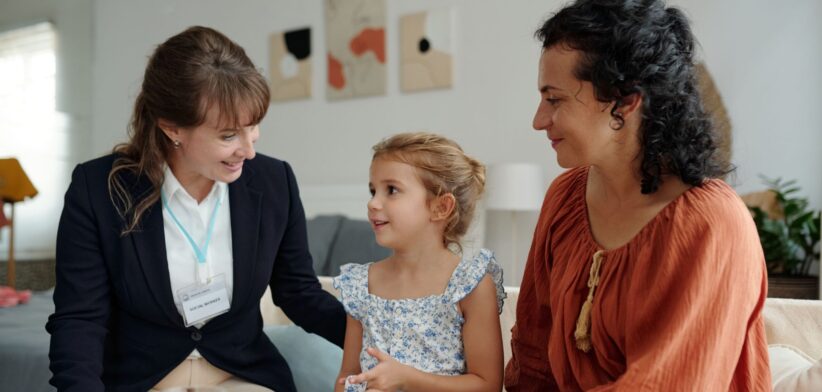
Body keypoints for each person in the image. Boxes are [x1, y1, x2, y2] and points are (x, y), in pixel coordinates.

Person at [46, 26, 345, 392]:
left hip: (241, 376)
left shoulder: (274, 181)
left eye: (253, 128)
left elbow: (300, 293)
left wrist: (384, 342)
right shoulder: (98, 190)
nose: (248, 151)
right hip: (143, 382)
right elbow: (80, 319)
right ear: (172, 128)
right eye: (228, 135)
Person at [504, 0, 771, 390]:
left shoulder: (712, 224)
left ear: (626, 101)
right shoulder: (564, 198)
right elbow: (533, 358)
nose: (538, 120)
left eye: (555, 99)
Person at [333, 132, 506, 392]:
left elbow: (487, 385)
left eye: (391, 190)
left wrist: (407, 378)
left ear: (440, 207)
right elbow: (347, 377)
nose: (372, 203)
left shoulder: (470, 284)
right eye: (372, 190)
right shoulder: (360, 285)